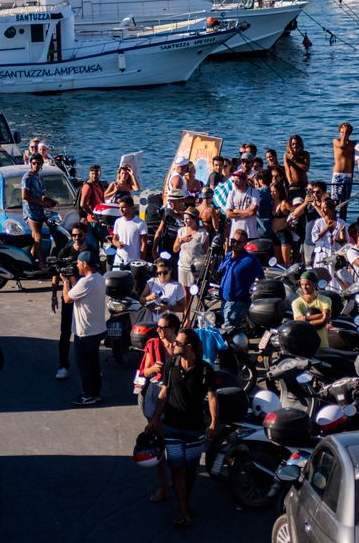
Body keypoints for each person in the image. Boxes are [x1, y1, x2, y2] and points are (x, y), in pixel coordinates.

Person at [146, 328, 219, 529]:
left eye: (178, 343)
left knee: (190, 470)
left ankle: (184, 503)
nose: (174, 345)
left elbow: (212, 397)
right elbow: (164, 393)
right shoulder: (170, 365)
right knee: (176, 469)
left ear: (189, 347)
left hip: (195, 429)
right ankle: (184, 511)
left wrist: (213, 421)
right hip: (172, 427)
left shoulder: (205, 370)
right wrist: (154, 419)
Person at [138, 313, 180, 504]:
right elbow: (145, 371)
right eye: (158, 327)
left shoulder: (181, 346)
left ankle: (178, 482)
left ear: (173, 329)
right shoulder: (153, 345)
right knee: (161, 443)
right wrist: (153, 369)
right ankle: (164, 487)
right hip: (156, 395)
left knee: (177, 443)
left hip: (176, 397)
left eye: (162, 327)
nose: (159, 330)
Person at [53, 224, 98, 381]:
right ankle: (63, 365)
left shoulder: (92, 251)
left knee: (87, 332)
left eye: (79, 235)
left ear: (85, 235)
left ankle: (90, 367)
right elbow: (57, 272)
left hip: (86, 297)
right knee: (65, 331)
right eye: (74, 235)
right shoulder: (65, 250)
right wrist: (53, 295)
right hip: (69, 296)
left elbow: (96, 273)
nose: (76, 238)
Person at [62, 250, 106, 406]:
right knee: (94, 363)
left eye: (79, 263)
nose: (77, 265)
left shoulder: (85, 282)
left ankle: (88, 393)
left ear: (85, 264)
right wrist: (73, 281)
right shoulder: (99, 279)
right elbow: (79, 292)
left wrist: (65, 282)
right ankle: (95, 392)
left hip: (85, 332)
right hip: (97, 329)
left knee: (84, 365)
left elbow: (68, 298)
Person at [217, 229, 263, 328]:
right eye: (233, 241)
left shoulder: (250, 260)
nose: (235, 244)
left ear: (245, 243)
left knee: (227, 329)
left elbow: (261, 280)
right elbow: (219, 274)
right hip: (224, 301)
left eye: (239, 242)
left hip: (239, 302)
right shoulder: (228, 256)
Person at [22, 154, 57, 269]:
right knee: (38, 236)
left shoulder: (39, 177)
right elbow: (25, 196)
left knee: (36, 238)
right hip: (30, 211)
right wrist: (41, 203)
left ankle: (29, 261)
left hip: (39, 211)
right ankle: (41, 263)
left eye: (38, 163)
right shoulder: (27, 178)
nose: (36, 165)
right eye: (34, 163)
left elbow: (41, 195)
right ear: (30, 164)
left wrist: (49, 201)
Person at [311, 198, 347, 288]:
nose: (323, 210)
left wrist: (340, 238)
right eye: (322, 208)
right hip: (322, 255)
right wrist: (326, 229)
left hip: (335, 255)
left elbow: (345, 241)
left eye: (325, 208)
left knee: (336, 278)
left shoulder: (341, 222)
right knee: (322, 277)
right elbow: (314, 238)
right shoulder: (319, 222)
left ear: (332, 209)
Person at [291, 272, 332, 348]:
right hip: (305, 345)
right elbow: (299, 322)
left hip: (322, 344)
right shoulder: (296, 303)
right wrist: (321, 318)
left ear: (314, 285)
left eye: (307, 284)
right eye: (302, 284)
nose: (304, 287)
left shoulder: (325, 300)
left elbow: (326, 317)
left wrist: (306, 320)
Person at [174, 210, 208, 294]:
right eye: (184, 218)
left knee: (196, 292)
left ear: (194, 219)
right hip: (182, 266)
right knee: (184, 293)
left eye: (188, 218)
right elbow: (175, 249)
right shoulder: (181, 231)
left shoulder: (203, 233)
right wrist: (181, 240)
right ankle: (186, 308)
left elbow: (206, 253)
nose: (185, 220)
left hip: (195, 268)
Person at [112, 195, 147, 266]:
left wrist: (141, 261)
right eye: (119, 208)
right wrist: (117, 244)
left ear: (131, 208)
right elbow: (114, 239)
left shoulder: (140, 223)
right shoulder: (118, 222)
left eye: (123, 207)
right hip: (118, 260)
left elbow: (144, 243)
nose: (121, 210)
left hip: (134, 262)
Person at [225, 170, 259, 239]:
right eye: (233, 181)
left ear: (244, 181)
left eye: (237, 180)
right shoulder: (232, 193)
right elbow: (229, 214)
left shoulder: (254, 192)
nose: (234, 183)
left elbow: (253, 212)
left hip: (250, 233)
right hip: (235, 235)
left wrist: (236, 211)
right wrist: (247, 212)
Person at [331, 122, 355, 220]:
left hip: (348, 176)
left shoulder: (353, 144)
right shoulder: (336, 141)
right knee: (335, 203)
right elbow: (342, 146)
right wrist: (344, 133)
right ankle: (332, 223)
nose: (344, 134)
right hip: (338, 175)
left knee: (345, 204)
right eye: (342, 132)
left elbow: (353, 162)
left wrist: (352, 176)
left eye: (347, 132)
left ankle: (342, 226)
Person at [153, 189, 186, 257]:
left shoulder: (187, 215)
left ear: (181, 200)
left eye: (172, 200)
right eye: (169, 200)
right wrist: (154, 248)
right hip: (165, 247)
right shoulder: (167, 212)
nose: (169, 202)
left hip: (179, 249)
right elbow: (159, 230)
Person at [284, 135, 311, 199]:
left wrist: (295, 161)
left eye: (297, 144)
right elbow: (287, 170)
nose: (295, 146)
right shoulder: (287, 155)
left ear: (300, 144)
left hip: (305, 184)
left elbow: (306, 168)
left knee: (310, 200)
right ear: (290, 145)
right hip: (294, 186)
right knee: (297, 203)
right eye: (293, 144)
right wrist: (290, 181)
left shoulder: (305, 154)